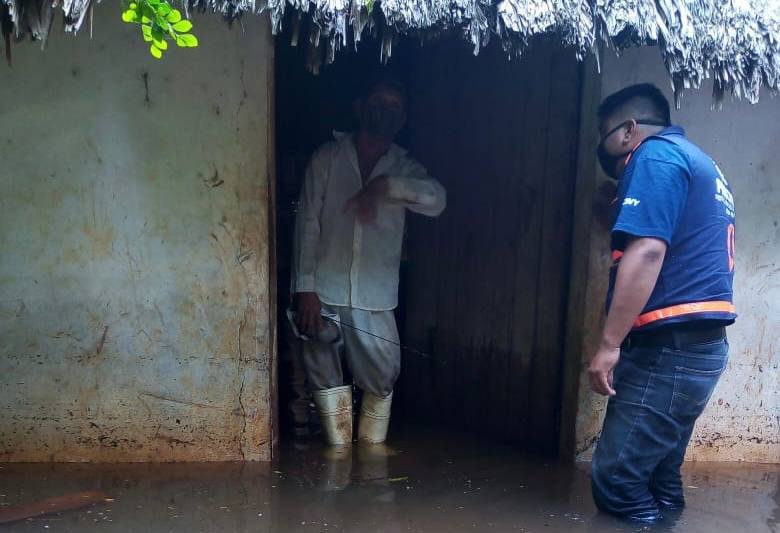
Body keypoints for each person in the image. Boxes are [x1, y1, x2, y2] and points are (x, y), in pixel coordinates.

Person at [588, 84, 737, 523]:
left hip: (670, 352)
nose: (602, 144)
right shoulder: (699, 162)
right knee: (658, 480)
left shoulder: (653, 155)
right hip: (699, 349)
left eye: (604, 133)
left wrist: (609, 343)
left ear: (629, 130)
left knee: (617, 482)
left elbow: (649, 251)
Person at [290, 77, 446, 447]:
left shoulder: (405, 167)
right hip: (323, 290)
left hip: (376, 295)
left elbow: (437, 201)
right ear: (360, 107)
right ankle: (339, 460)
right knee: (322, 374)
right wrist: (305, 289)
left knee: (384, 374)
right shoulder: (328, 156)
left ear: (402, 118)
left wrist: (385, 186)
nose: (384, 112)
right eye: (378, 102)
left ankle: (371, 459)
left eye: (394, 107)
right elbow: (307, 222)